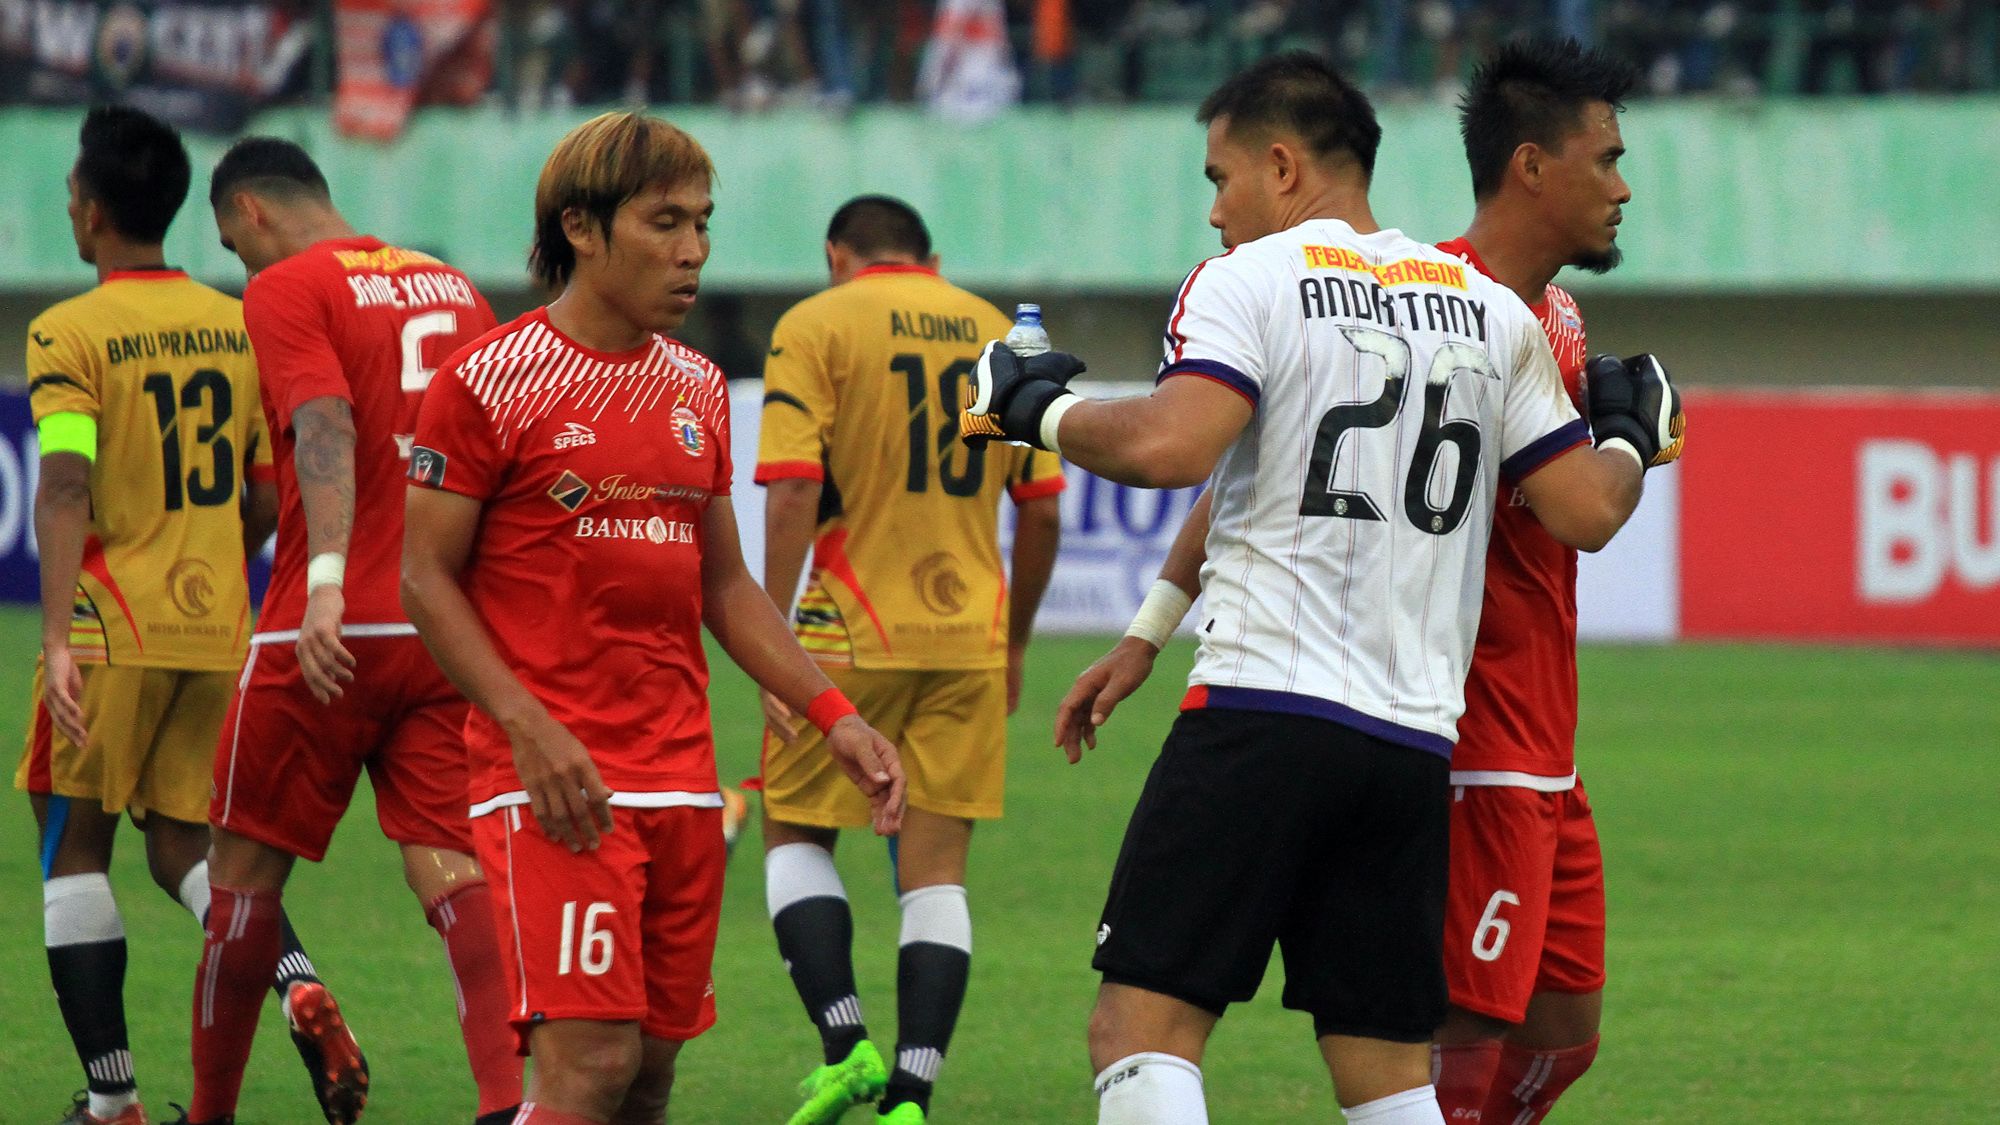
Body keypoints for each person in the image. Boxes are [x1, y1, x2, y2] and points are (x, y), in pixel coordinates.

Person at [960, 52, 1683, 1125]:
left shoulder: (1249, 280)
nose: (1213, 214)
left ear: (1282, 165)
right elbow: (1586, 508)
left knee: (1140, 1029)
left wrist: (1033, 410)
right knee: (1388, 1074)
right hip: (1411, 747)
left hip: (1263, 709)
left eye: (1218, 179)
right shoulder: (1487, 312)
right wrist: (1627, 437)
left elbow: (1173, 445)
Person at [400, 111, 907, 1125]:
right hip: (556, 785)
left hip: (679, 784)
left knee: (646, 1082)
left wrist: (833, 714)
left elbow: (725, 587)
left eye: (702, 224)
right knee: (584, 1072)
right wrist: (527, 726)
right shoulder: (490, 380)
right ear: (582, 229)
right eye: (665, 222)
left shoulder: (698, 386)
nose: (694, 252)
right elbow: (421, 578)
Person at [14, 105, 350, 1125]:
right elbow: (259, 494)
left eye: (75, 196)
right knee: (188, 851)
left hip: (112, 626)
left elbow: (64, 486)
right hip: (217, 633)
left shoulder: (66, 332)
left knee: (73, 848)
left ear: (92, 212)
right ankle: (296, 980)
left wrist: (58, 639)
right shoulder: (237, 328)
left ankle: (112, 1101)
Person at [186, 138, 522, 1125]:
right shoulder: (455, 289)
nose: (241, 266)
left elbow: (323, 421)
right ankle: (506, 1109)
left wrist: (327, 580)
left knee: (241, 876)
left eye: (231, 245)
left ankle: (207, 1117)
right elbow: (496, 449)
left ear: (249, 212)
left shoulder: (286, 286)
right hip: (440, 629)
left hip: (323, 632)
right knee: (454, 871)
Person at [754, 196, 1064, 1125]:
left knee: (795, 834)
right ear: (930, 257)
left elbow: (792, 487)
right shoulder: (1001, 337)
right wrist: (1012, 644)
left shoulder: (816, 322)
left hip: (844, 632)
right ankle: (912, 1098)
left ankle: (847, 1047)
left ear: (835, 253)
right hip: (967, 636)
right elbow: (1043, 509)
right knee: (936, 873)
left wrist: (769, 642)